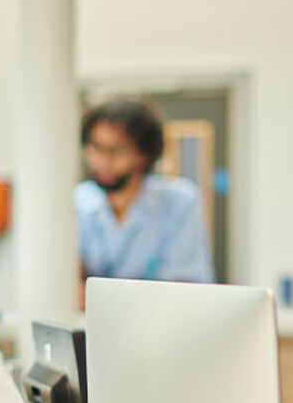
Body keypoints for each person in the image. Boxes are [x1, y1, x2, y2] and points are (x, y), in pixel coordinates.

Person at [75, 99, 214, 285]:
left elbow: (184, 285)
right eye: (95, 148)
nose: (103, 161)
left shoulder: (179, 202)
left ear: (143, 155)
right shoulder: (77, 201)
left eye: (117, 150)